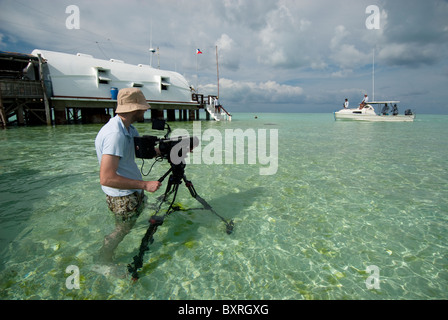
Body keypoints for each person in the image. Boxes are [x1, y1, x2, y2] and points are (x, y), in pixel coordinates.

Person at [95, 88, 161, 262]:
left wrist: (172, 149)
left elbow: (140, 153)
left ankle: (142, 208)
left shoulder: (128, 129)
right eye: (143, 107)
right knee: (121, 231)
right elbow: (106, 178)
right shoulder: (115, 135)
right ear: (134, 109)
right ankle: (103, 261)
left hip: (132, 192)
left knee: (128, 223)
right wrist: (145, 185)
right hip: (122, 196)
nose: (146, 110)